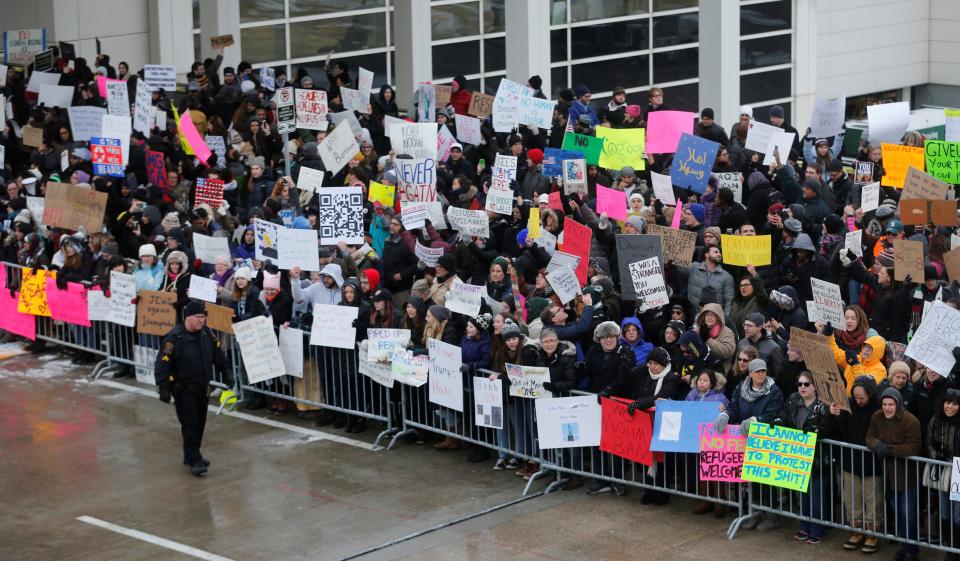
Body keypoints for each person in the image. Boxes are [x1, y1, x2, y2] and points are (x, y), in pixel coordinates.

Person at [153, 300, 232, 476]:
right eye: (199, 317)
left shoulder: (206, 334)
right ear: (188, 317)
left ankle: (191, 454)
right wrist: (163, 387)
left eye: (204, 317)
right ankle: (194, 459)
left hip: (202, 387)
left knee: (200, 423)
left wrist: (227, 373)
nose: (202, 321)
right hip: (183, 389)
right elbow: (162, 365)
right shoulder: (174, 338)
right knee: (190, 424)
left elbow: (218, 355)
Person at [773, 371, 838, 545]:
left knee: (817, 496)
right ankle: (804, 526)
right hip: (797, 455)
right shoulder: (793, 399)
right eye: (800, 384)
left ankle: (818, 529)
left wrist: (816, 432)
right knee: (803, 495)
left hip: (818, 457)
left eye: (806, 384)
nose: (802, 387)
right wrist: (779, 421)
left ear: (815, 387)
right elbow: (784, 415)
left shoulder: (824, 405)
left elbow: (828, 429)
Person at [866, 388, 922, 561]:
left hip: (907, 477)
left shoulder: (911, 421)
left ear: (898, 404)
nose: (887, 408)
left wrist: (887, 449)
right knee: (898, 513)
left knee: (908, 514)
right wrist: (876, 444)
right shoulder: (877, 416)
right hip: (888, 475)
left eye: (891, 404)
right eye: (884, 404)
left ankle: (912, 551)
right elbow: (869, 436)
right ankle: (905, 546)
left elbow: (913, 447)